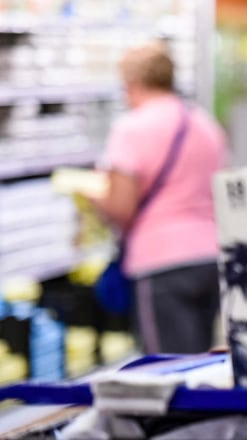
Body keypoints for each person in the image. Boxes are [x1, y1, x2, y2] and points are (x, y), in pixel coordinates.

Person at [87, 42, 228, 354]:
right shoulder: (205, 124)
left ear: (133, 83)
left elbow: (122, 207)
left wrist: (91, 196)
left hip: (162, 261)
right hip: (211, 255)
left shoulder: (132, 128)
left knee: (167, 370)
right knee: (199, 364)